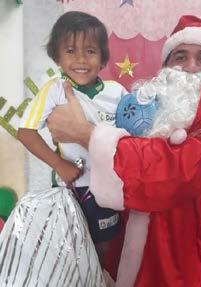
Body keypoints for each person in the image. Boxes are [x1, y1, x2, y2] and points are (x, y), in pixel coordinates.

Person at [47, 15, 201, 287]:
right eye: (180, 57)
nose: (190, 67)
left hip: (183, 260)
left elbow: (167, 171)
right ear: (166, 65)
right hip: (128, 248)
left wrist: (85, 133)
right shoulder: (142, 109)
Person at [17, 11, 127, 264]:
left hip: (110, 188)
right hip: (74, 188)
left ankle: (99, 278)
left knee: (104, 247)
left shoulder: (117, 92)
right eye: (70, 51)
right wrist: (59, 165)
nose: (80, 59)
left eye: (90, 51)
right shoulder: (55, 90)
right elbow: (25, 132)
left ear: (102, 58)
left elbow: (131, 138)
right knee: (72, 249)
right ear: (56, 56)